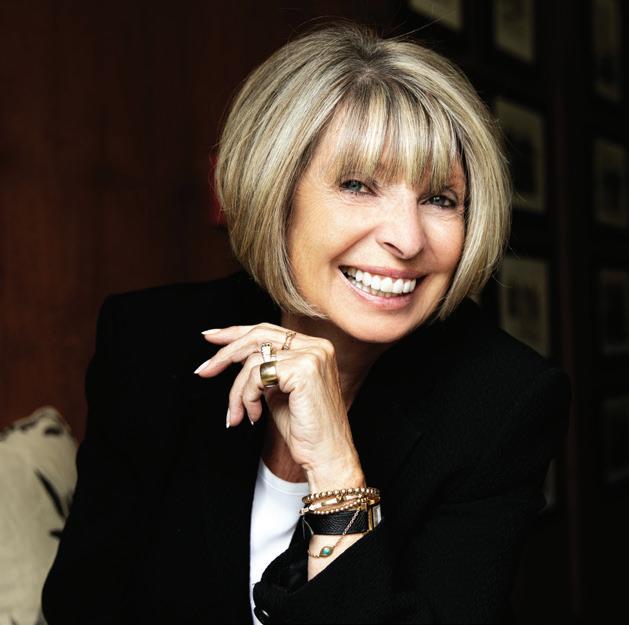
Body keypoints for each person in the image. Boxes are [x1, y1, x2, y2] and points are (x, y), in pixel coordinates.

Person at [42, 22, 570, 625]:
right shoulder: (148, 342)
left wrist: (336, 473)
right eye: (358, 185)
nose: (407, 239)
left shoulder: (502, 403)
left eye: (440, 199)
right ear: (276, 191)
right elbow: (80, 606)